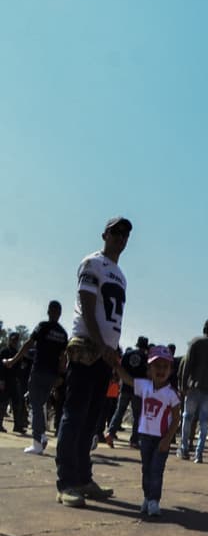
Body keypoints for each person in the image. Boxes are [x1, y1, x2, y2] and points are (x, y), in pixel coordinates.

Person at [55, 216, 132, 508]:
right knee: (74, 416)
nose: (120, 238)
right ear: (104, 234)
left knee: (91, 421)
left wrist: (111, 349)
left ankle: (84, 477)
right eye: (116, 232)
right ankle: (66, 482)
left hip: (106, 352)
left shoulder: (121, 275)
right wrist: (100, 344)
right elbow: (87, 305)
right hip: (88, 346)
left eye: (125, 234)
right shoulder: (92, 263)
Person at [117, 345, 182, 517]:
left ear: (170, 370)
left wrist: (168, 439)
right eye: (157, 366)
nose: (161, 370)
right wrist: (116, 365)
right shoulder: (144, 386)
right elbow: (128, 379)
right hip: (145, 436)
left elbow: (176, 419)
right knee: (146, 469)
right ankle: (147, 496)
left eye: (165, 367)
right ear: (149, 369)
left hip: (161, 438)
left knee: (156, 469)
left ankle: (154, 500)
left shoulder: (172, 394)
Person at [6, 301, 69, 455]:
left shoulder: (43, 326)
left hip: (39, 370)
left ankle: (38, 441)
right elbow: (63, 357)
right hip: (52, 374)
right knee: (40, 405)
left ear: (48, 311)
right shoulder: (63, 333)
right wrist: (61, 376)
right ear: (59, 314)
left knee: (35, 406)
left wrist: (13, 360)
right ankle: (41, 436)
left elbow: (28, 344)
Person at [179, 320, 208, 462]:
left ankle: (184, 449)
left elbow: (187, 365)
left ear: (204, 328)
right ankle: (199, 453)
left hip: (194, 387)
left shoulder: (195, 343)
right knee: (204, 421)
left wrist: (183, 385)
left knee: (187, 417)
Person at [104, 336, 148, 448]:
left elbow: (119, 368)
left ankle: (110, 433)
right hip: (137, 389)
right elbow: (147, 374)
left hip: (124, 387)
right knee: (137, 415)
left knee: (119, 411)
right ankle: (134, 440)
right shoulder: (145, 357)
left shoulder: (127, 354)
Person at [1, 331, 31, 437]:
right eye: (13, 339)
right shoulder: (4, 351)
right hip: (5, 380)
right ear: (9, 340)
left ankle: (17, 426)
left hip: (14, 382)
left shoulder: (17, 353)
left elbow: (21, 366)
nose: (14, 342)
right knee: (3, 403)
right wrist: (1, 380)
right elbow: (1, 367)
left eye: (16, 340)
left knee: (17, 404)